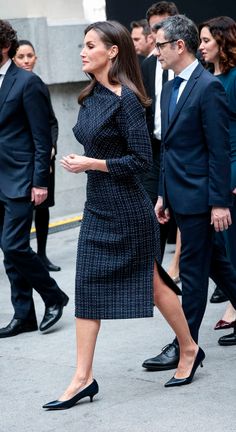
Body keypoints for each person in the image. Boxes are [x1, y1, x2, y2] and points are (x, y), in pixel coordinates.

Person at [42, 20, 204, 410]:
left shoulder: (126, 99)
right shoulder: (91, 94)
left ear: (112, 51)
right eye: (82, 45)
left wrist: (91, 164)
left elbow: (141, 160)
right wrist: (88, 165)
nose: (82, 52)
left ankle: (189, 347)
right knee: (86, 288)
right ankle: (83, 378)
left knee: (153, 285)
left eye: (90, 45)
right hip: (97, 207)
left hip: (127, 211)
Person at [142, 14, 236, 371]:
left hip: (201, 198)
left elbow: (219, 149)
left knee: (194, 272)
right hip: (177, 195)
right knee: (219, 266)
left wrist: (219, 202)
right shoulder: (168, 87)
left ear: (179, 45)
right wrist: (163, 194)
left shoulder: (208, 86)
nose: (156, 51)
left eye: (160, 44)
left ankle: (187, 345)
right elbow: (168, 148)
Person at [0, 20, 69, 338]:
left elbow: (43, 138)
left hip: (21, 177)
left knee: (13, 245)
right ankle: (23, 314)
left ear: (4, 47)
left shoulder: (27, 83)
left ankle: (54, 296)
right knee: (9, 252)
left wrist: (40, 182)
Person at [199, 15, 236, 346]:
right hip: (219, 170)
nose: (201, 46)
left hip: (234, 170)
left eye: (207, 40)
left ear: (222, 41)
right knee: (228, 249)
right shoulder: (212, 78)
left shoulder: (235, 78)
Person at [13, 40, 61, 272]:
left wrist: (51, 147)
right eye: (21, 56)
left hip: (43, 158)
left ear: (36, 58)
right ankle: (24, 255)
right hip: (19, 160)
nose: (25, 61)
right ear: (13, 58)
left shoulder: (37, 84)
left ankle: (41, 255)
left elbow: (51, 122)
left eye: (29, 56)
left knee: (42, 208)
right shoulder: (11, 86)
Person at [141, 1, 179, 260]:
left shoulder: (191, 64)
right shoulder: (145, 66)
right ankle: (155, 277)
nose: (157, 32)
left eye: (163, 25)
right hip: (155, 151)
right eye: (154, 27)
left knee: (189, 219)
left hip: (184, 150)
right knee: (152, 217)